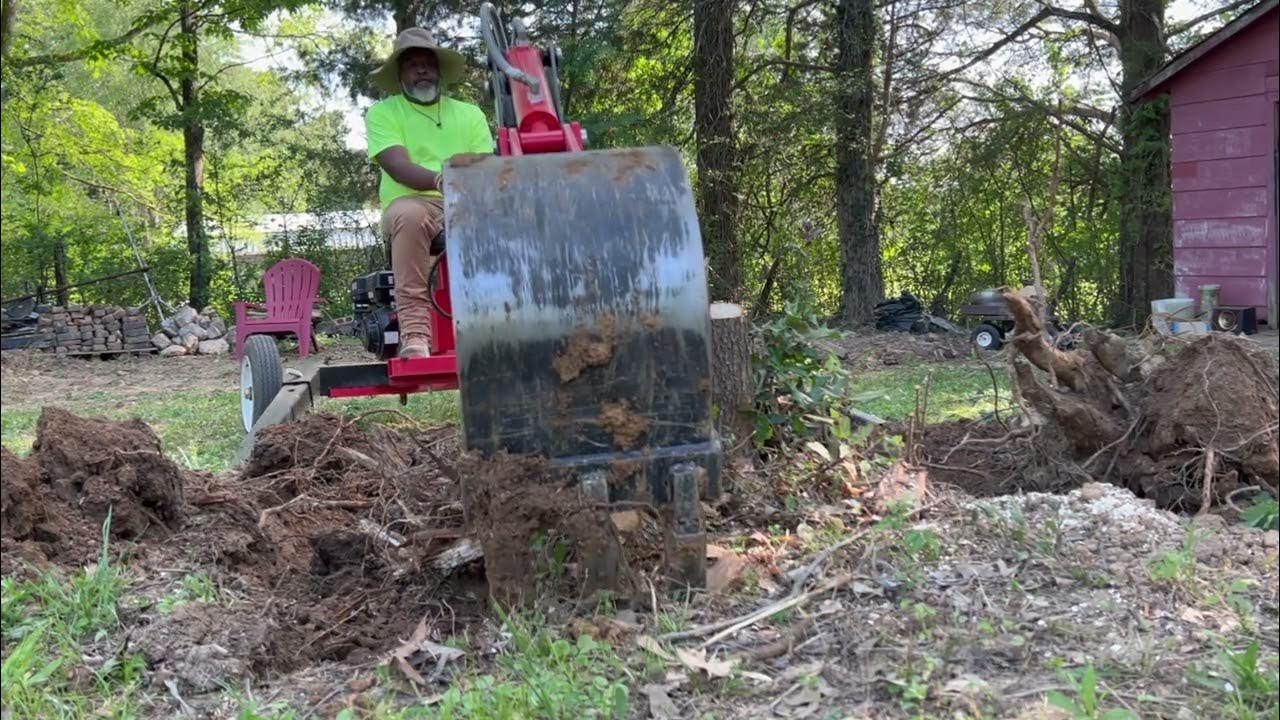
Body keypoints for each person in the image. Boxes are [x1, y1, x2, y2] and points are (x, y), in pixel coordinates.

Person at [365, 28, 494, 359]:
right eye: (411, 64)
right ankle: (415, 336)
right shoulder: (385, 113)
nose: (421, 68)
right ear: (400, 74)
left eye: (427, 62)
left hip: (466, 200)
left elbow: (482, 168)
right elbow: (397, 166)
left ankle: (504, 327)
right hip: (413, 203)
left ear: (438, 69)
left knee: (512, 214)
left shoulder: (470, 114)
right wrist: (443, 180)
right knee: (409, 216)